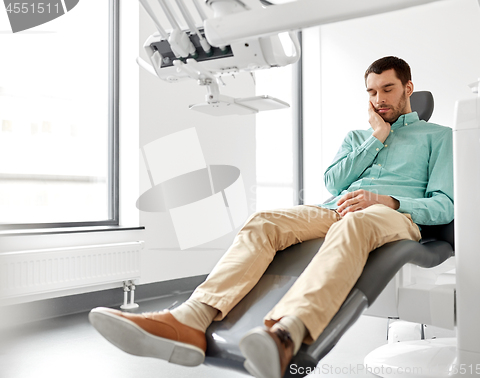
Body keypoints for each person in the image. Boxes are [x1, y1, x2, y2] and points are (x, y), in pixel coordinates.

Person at [89, 56, 453, 378]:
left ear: (408, 88)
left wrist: (386, 200)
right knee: (265, 221)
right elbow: (333, 181)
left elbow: (444, 204)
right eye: (371, 92)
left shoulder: (438, 137)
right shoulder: (360, 136)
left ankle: (286, 333)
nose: (379, 99)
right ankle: (191, 320)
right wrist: (376, 138)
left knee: (356, 222)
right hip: (334, 208)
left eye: (387, 89)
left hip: (393, 216)